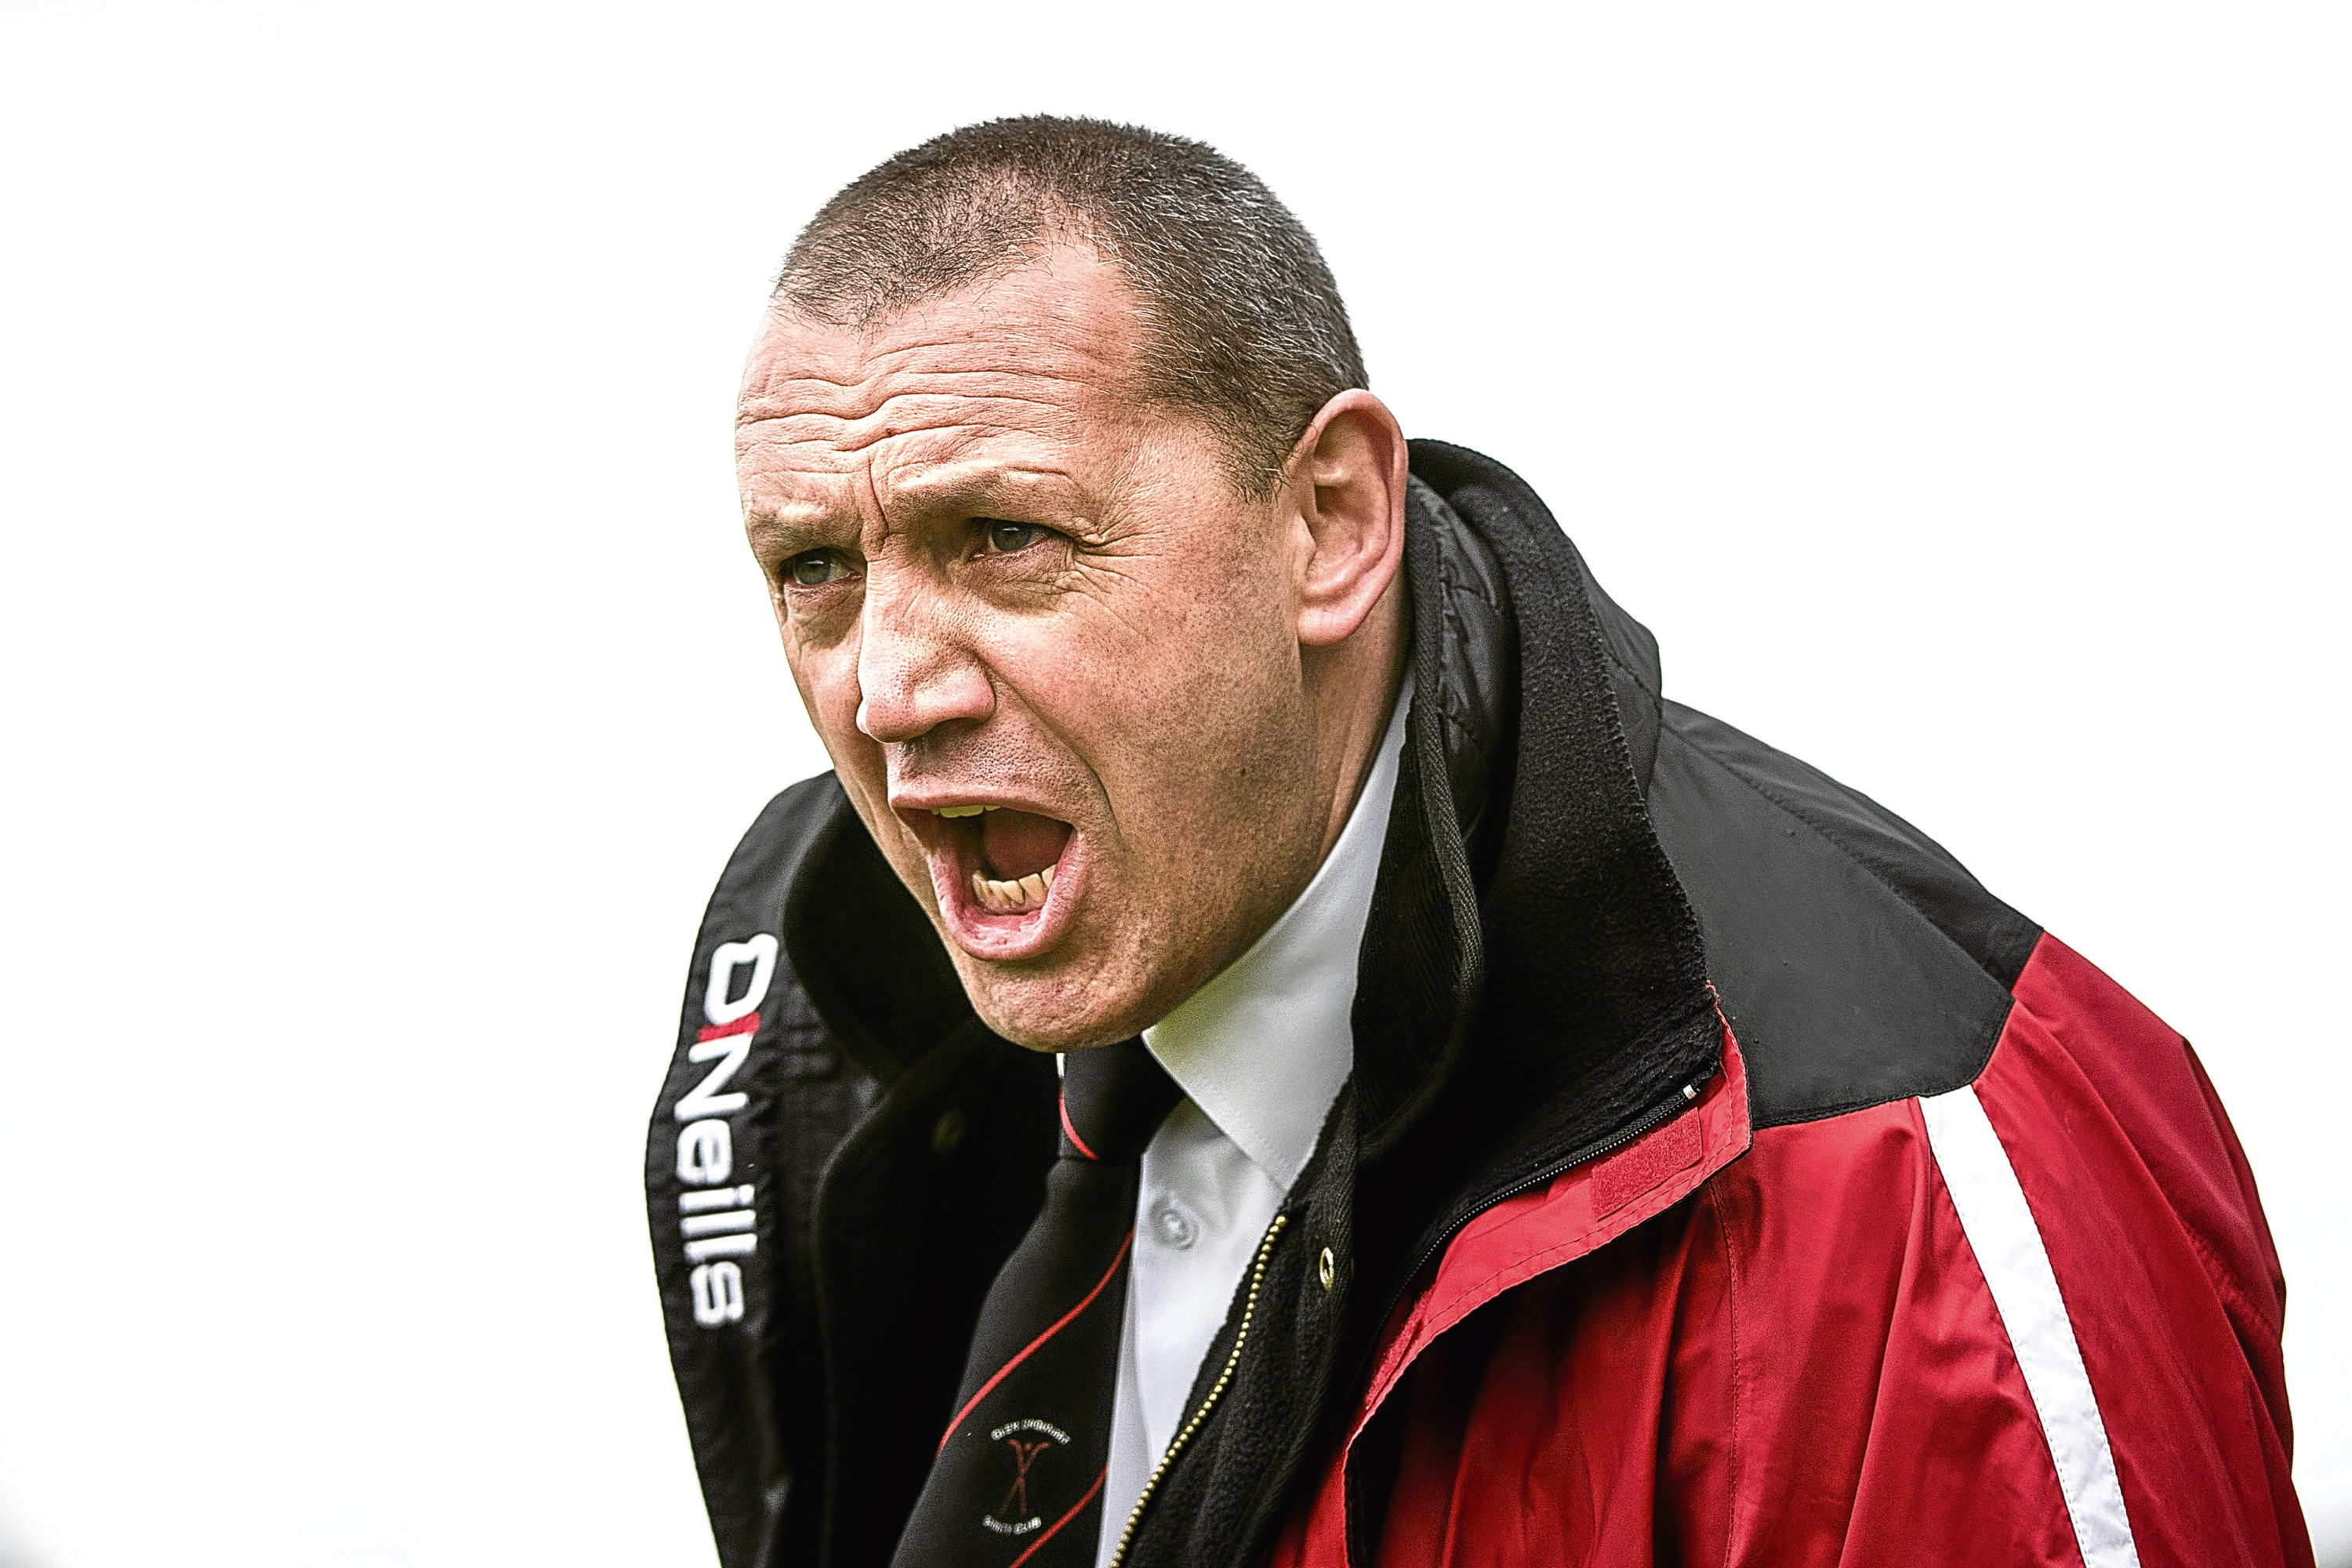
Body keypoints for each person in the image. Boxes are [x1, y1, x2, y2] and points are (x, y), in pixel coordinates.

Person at [644, 117, 2311, 1568]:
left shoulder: (1895, 1170)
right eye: (814, 573)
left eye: (1003, 535)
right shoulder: (821, 985)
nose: (886, 689)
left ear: (1330, 525)